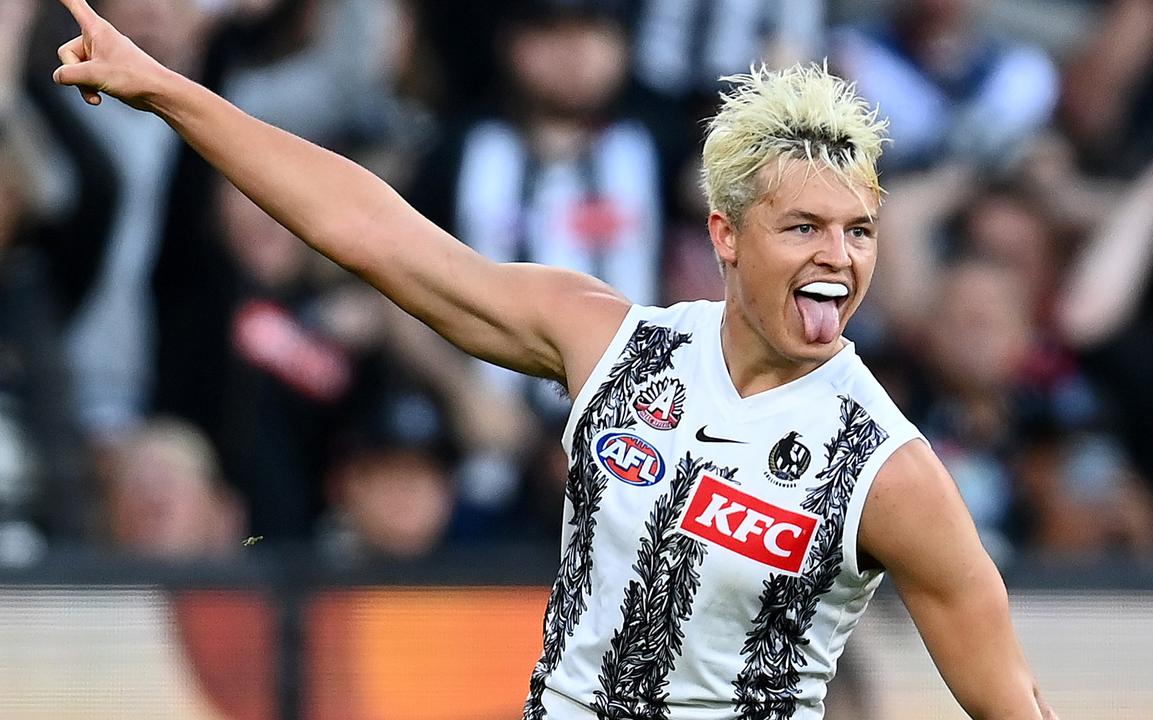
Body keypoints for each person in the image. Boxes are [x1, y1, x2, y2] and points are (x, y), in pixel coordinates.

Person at [50, 1, 1056, 717]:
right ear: (726, 234)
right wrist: (167, 90)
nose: (838, 259)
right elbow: (371, 231)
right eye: (803, 227)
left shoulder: (887, 470)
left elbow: (1010, 704)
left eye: (859, 231)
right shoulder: (613, 342)